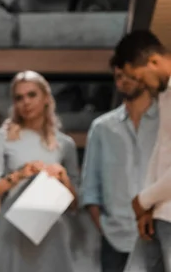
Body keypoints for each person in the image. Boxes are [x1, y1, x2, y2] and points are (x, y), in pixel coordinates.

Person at [0, 70, 79, 272]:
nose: (25, 102)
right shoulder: (3, 137)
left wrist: (63, 178)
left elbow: (76, 204)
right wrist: (19, 174)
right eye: (19, 97)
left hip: (51, 230)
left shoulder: (65, 144)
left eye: (32, 95)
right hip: (12, 231)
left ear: (45, 98)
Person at [82, 57, 159, 272]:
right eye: (118, 76)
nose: (123, 81)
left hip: (159, 234)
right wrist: (106, 229)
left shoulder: (165, 120)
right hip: (116, 239)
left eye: (129, 75)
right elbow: (90, 190)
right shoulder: (101, 128)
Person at [111, 31, 171, 272]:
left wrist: (144, 200)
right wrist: (144, 207)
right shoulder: (165, 95)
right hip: (159, 213)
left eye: (138, 77)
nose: (141, 85)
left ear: (153, 61)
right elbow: (161, 148)